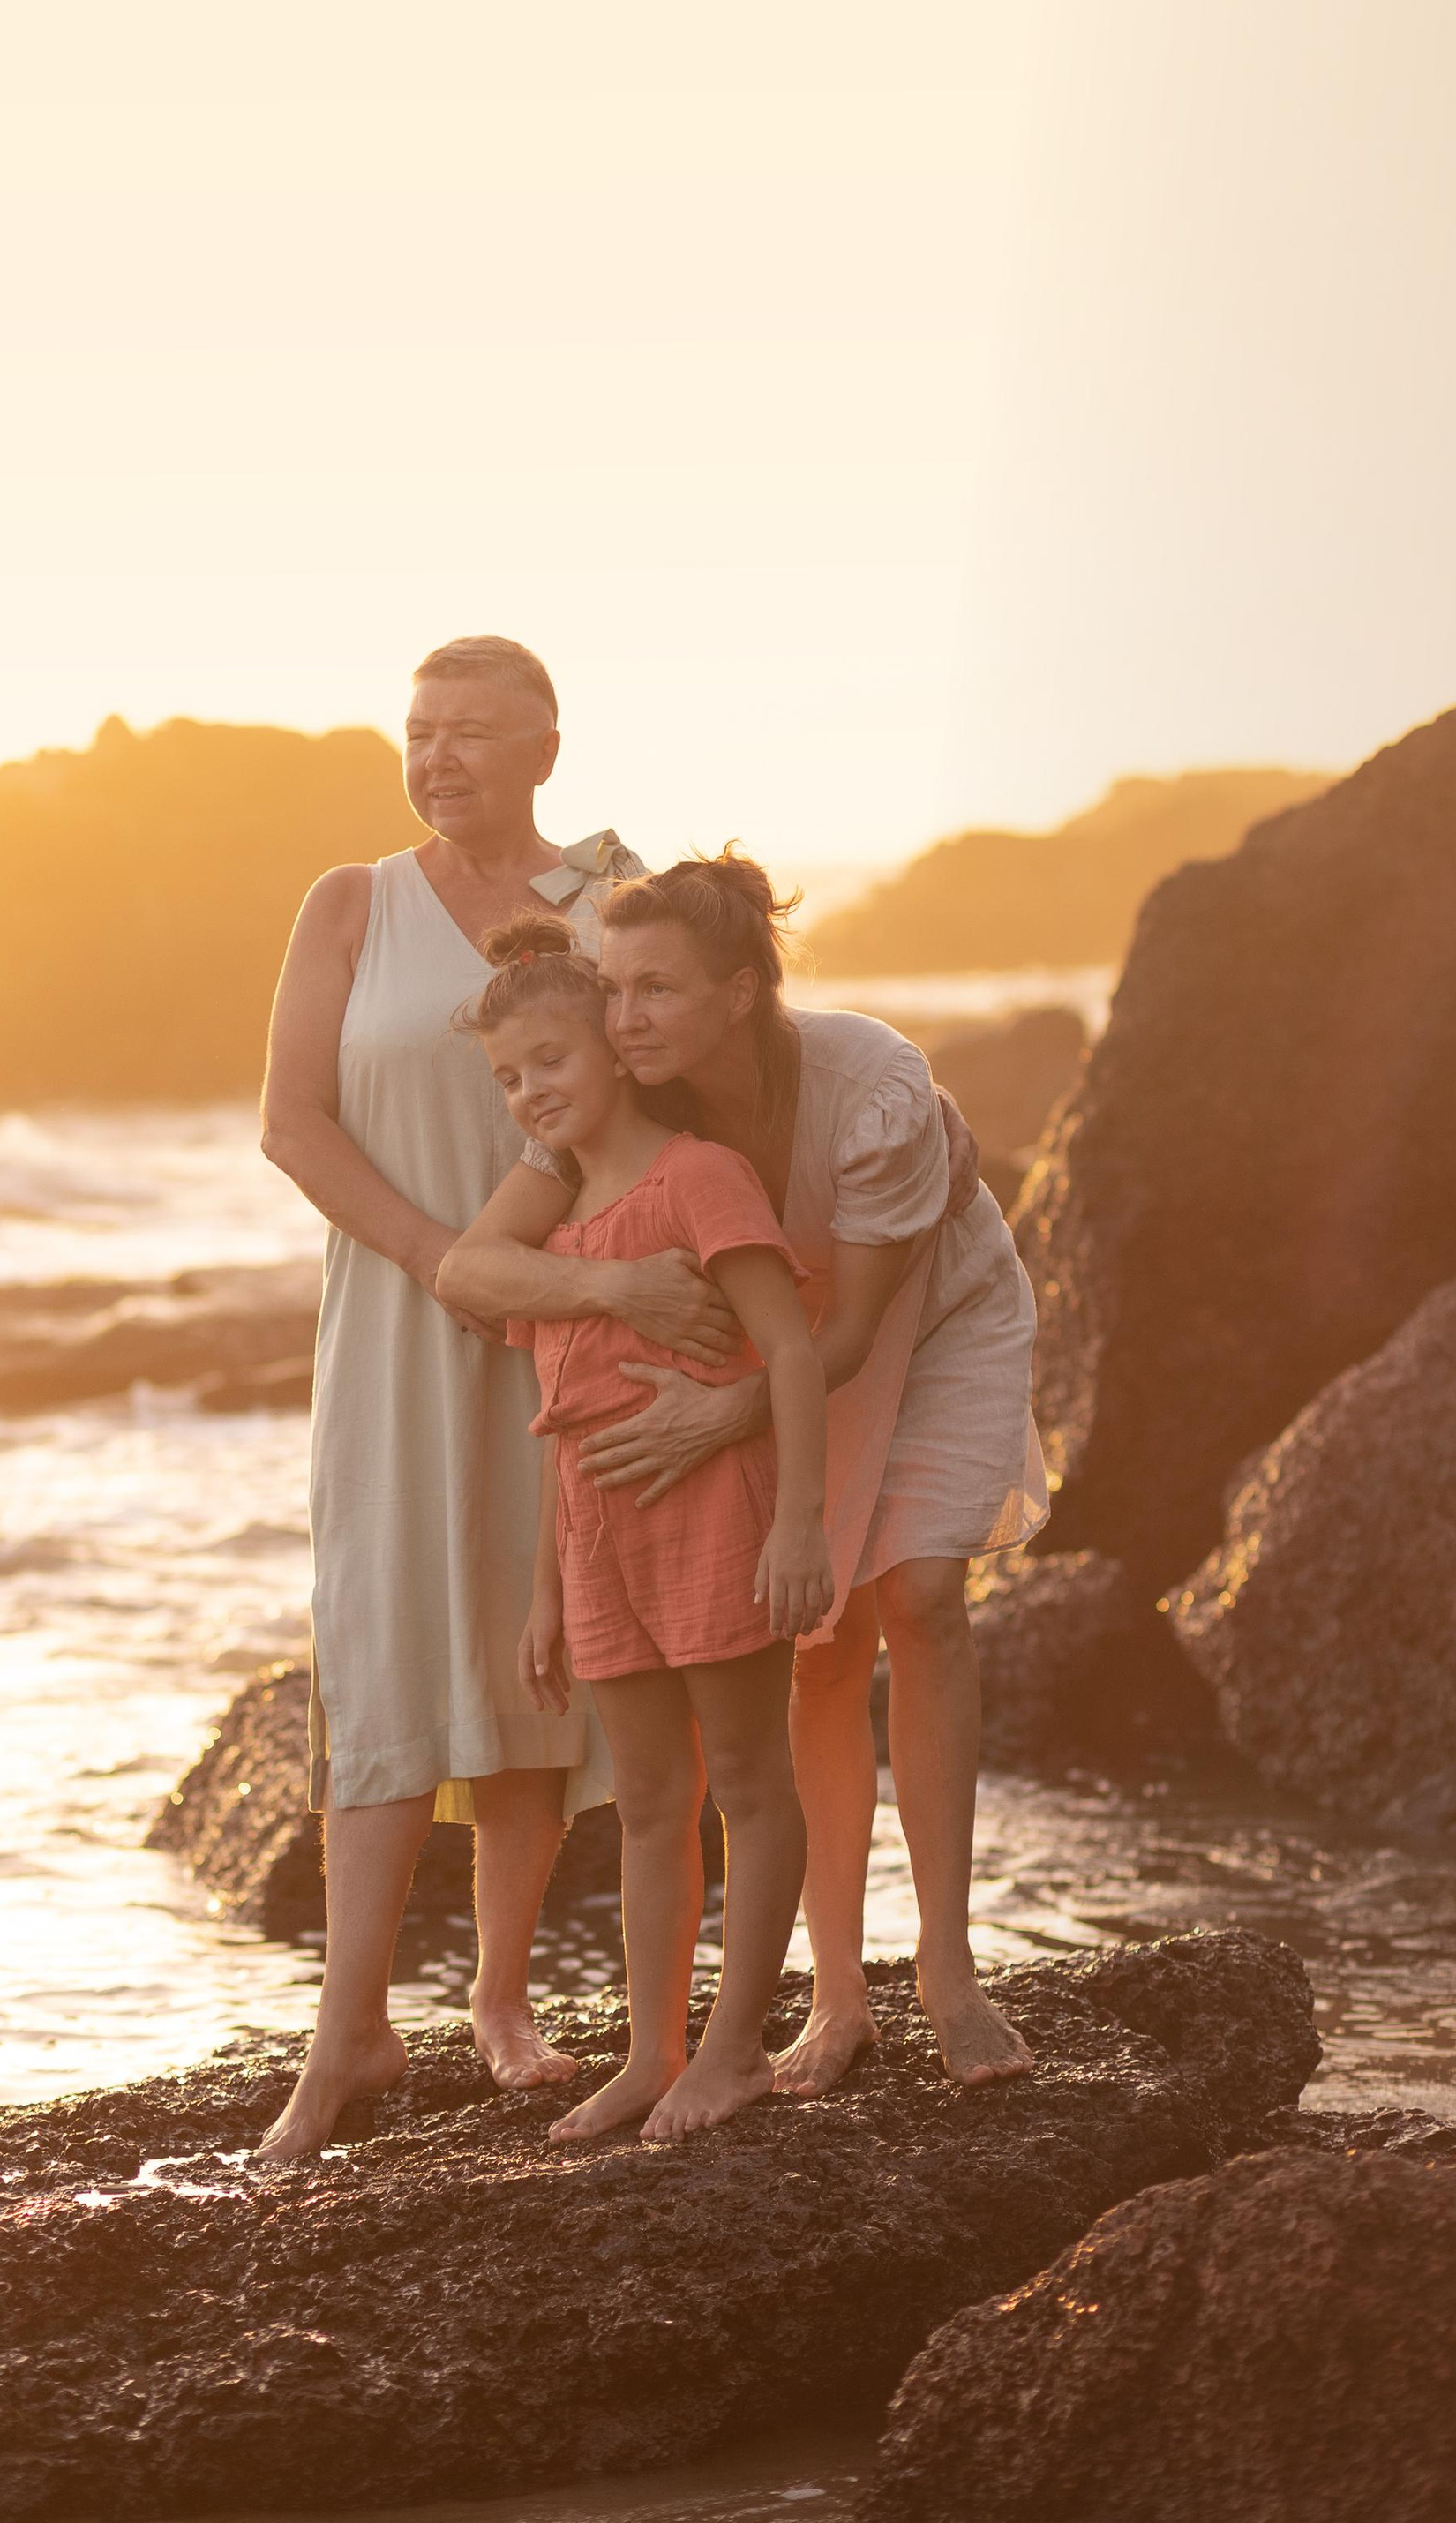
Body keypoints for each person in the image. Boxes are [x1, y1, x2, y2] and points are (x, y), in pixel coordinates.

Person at [437, 852, 1049, 2091]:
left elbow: (851, 1338)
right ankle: (835, 1997)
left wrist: (711, 1423)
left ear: (742, 992)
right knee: (818, 1647)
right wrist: (609, 1288)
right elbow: (469, 1271)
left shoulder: (869, 1086)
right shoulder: (618, 1100)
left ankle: (947, 1967)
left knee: (920, 1597)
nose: (624, 1017)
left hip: (922, 1323)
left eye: (655, 989)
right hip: (775, 1351)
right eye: (613, 988)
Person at [255, 637, 716, 2163]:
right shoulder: (351, 903)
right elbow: (293, 1122)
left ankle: (501, 1999)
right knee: (385, 1643)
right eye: (418, 732)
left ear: (544, 747)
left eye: (470, 733)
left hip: (585, 1313)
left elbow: (685, 1074)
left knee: (544, 1653)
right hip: (399, 1315)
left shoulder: (611, 899)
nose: (438, 757)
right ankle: (350, 2034)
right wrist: (443, 1259)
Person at [464, 912, 829, 2142]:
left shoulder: (698, 1178)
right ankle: (651, 2052)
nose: (533, 1093)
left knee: (749, 1784)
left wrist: (800, 1530)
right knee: (649, 1801)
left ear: (618, 1052)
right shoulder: (556, 1239)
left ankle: (735, 2053)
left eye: (553, 1062)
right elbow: (562, 1427)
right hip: (601, 1546)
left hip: (717, 1522)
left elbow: (787, 1345)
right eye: (511, 1078)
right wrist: (546, 1594)